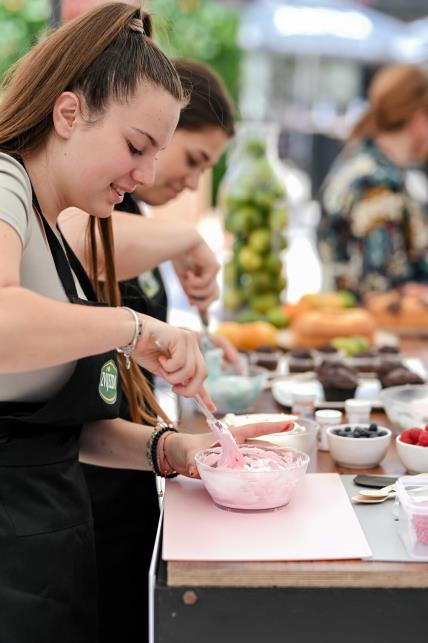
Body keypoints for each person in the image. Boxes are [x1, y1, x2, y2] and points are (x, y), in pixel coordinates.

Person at [0, 4, 291, 642]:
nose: (149, 176)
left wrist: (174, 451)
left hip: (50, 551)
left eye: (157, 154)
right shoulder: (5, 185)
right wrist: (132, 328)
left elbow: (56, 434)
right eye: (137, 147)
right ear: (69, 113)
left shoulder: (51, 228)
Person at [59, 58, 238, 643]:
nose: (169, 175)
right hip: (83, 497)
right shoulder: (73, 207)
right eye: (143, 147)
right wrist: (187, 238)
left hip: (124, 467)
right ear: (69, 115)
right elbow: (85, 243)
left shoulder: (121, 208)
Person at [319, 64, 428, 299]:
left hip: (356, 325)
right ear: (419, 119)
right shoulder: (376, 182)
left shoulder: (361, 161)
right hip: (372, 330)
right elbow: (381, 286)